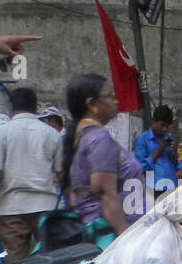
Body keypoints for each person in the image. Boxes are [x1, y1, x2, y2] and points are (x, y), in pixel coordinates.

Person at [0, 87, 65, 264]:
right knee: (52, 260)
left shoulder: (2, 132)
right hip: (46, 206)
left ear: (12, 107)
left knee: (15, 261)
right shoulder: (51, 134)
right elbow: (60, 173)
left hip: (13, 208)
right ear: (35, 107)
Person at [62, 74, 146, 238]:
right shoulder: (99, 139)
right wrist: (127, 240)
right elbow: (105, 193)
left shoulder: (82, 137)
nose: (116, 101)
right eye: (110, 96)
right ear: (92, 104)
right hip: (109, 235)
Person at [134, 105, 182, 196]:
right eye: (162, 125)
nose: (164, 129)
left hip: (172, 186)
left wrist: (174, 152)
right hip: (153, 188)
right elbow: (140, 167)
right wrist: (159, 149)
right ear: (154, 121)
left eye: (167, 126)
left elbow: (176, 166)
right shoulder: (142, 140)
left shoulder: (169, 140)